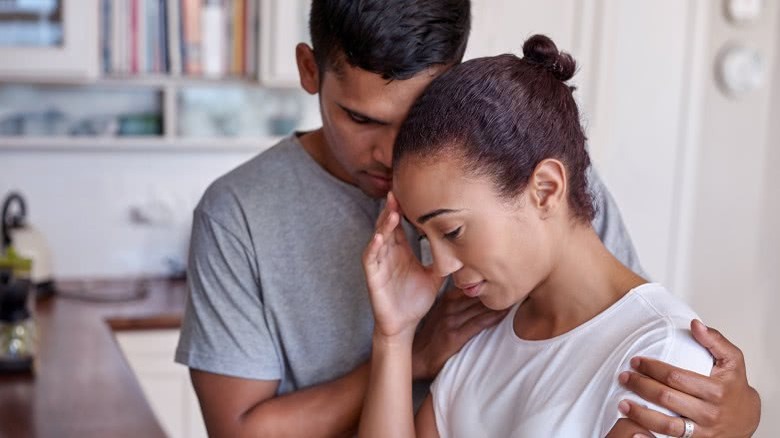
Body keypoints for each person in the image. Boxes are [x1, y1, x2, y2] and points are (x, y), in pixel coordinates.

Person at [175, 1, 761, 437]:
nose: (390, 153)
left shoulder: (528, 177)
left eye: (416, 117)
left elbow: (621, 328)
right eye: (361, 119)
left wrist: (738, 415)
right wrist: (413, 348)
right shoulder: (240, 215)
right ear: (309, 70)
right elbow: (238, 430)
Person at [358, 34, 753, 437]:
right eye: (426, 238)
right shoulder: (480, 339)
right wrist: (394, 335)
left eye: (453, 231)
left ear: (546, 188)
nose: (441, 266)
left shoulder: (664, 360)